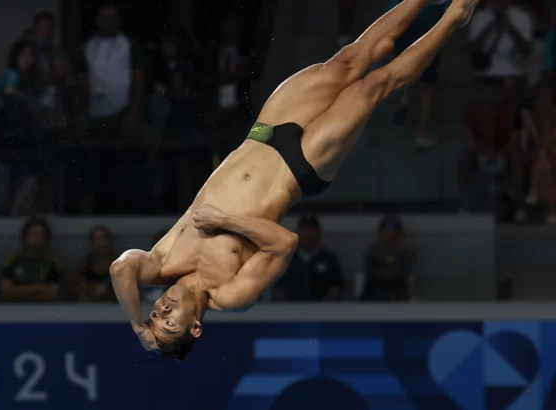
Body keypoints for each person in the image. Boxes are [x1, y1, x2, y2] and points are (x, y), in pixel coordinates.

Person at [110, 0, 479, 361]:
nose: (162, 310)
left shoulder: (161, 263)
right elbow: (286, 243)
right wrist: (225, 222)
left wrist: (136, 326)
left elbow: (121, 267)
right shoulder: (230, 295)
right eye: (169, 323)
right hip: (301, 167)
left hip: (263, 131)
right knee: (373, 87)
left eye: (156, 315)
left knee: (351, 58)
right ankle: (453, 17)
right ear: (195, 328)